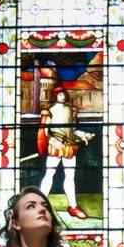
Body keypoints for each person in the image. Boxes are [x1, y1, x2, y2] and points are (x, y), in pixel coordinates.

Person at [37, 86, 95, 219]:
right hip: (55, 147)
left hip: (70, 147)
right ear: (54, 96)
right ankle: (39, 205)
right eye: (59, 94)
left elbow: (73, 130)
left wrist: (84, 135)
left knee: (70, 177)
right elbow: (44, 132)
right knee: (49, 174)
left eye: (64, 94)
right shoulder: (49, 112)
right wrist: (53, 141)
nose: (62, 96)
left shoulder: (71, 110)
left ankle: (73, 207)